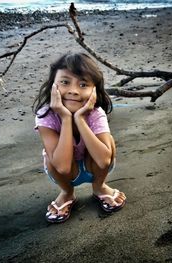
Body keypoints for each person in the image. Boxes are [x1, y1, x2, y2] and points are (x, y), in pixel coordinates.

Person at [33, 52, 126, 223]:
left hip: (95, 166)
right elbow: (61, 167)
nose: (74, 91)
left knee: (108, 143)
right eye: (65, 82)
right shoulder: (45, 116)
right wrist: (66, 118)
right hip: (66, 172)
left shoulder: (96, 113)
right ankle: (67, 193)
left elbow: (104, 160)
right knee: (50, 155)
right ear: (53, 84)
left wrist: (80, 119)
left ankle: (100, 187)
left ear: (94, 91)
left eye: (83, 84)